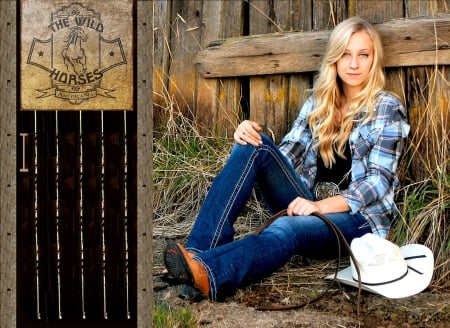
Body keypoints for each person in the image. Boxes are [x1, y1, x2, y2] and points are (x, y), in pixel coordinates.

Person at [164, 16, 410, 302]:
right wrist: (247, 137)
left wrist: (319, 206)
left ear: (373, 59)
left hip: (356, 223)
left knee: (286, 228)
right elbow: (286, 156)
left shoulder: (387, 108)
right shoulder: (318, 102)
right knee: (252, 146)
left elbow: (377, 183)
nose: (353, 64)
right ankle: (197, 254)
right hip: (306, 203)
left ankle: (209, 274)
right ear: (334, 58)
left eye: (363, 55)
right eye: (345, 54)